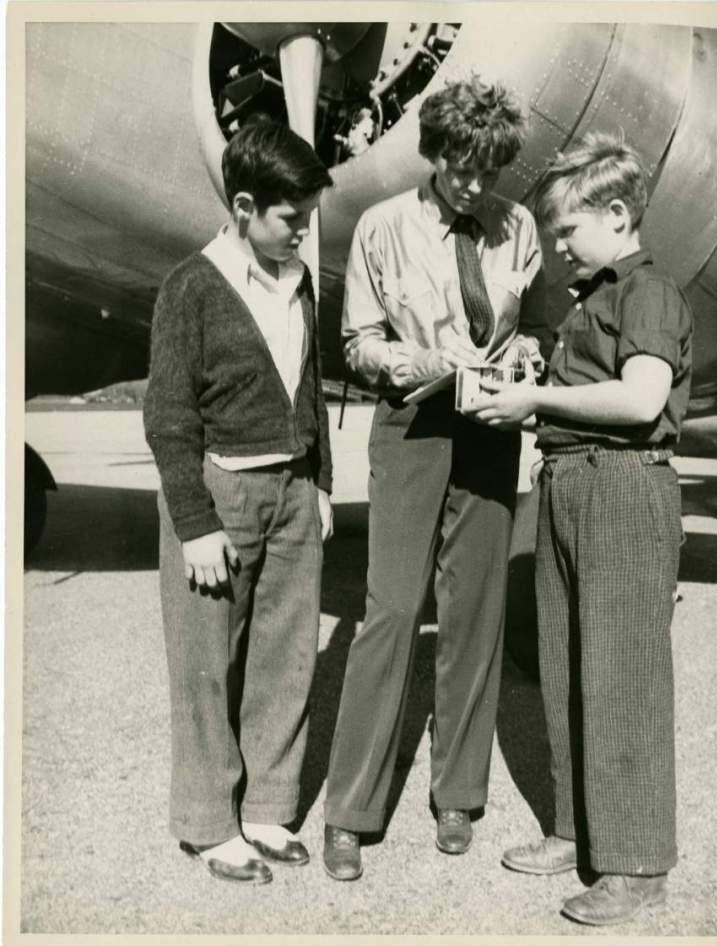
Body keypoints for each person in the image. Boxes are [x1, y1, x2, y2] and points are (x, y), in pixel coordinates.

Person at [322, 76, 552, 881]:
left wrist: (523, 359)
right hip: (412, 425)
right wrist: (417, 359)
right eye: (462, 167)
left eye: (490, 170)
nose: (475, 185)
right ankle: (350, 811)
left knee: (476, 616)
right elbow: (357, 343)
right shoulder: (382, 227)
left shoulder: (519, 226)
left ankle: (459, 794)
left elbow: (538, 327)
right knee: (390, 611)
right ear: (435, 152)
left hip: (490, 428)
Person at [467, 132, 693, 926]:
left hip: (622, 485)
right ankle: (575, 829)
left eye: (568, 229)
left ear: (618, 214)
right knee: (565, 669)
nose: (558, 246)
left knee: (622, 677)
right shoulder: (589, 298)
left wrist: (536, 401)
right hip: (568, 479)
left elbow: (640, 399)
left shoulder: (648, 291)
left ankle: (635, 864)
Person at [143, 117, 334, 884]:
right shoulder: (190, 286)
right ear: (246, 207)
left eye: (310, 216)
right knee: (206, 664)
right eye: (293, 218)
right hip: (220, 492)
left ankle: (267, 808)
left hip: (294, 490)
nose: (304, 231)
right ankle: (209, 823)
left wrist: (319, 483)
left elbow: (309, 389)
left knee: (287, 657)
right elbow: (168, 417)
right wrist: (194, 525)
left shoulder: (299, 277)